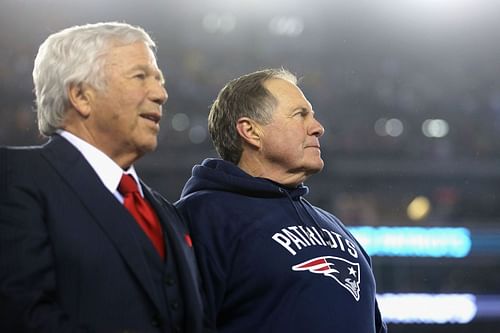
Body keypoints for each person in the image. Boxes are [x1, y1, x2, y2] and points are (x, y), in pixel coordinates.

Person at [0, 22, 204, 332]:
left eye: (159, 80)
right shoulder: (14, 177)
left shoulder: (168, 212)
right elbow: (21, 315)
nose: (161, 94)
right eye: (140, 77)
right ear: (81, 95)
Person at [175, 68, 387, 333]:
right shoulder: (200, 217)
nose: (318, 128)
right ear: (251, 131)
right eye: (300, 115)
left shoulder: (335, 226)